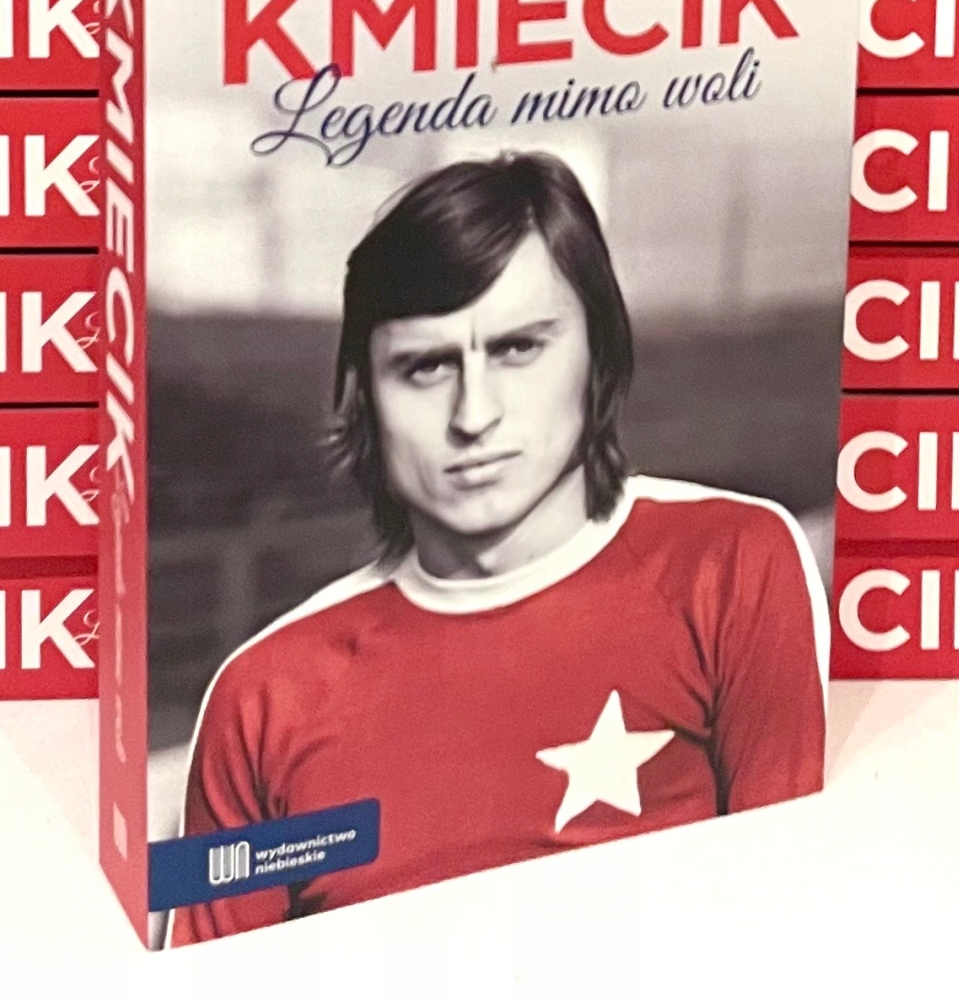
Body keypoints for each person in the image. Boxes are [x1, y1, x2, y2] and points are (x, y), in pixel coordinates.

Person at [168, 152, 827, 942]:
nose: (473, 415)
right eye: (424, 366)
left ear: (599, 354)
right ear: (363, 396)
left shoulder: (730, 564)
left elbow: (792, 940)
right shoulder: (257, 698)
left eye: (518, 348)